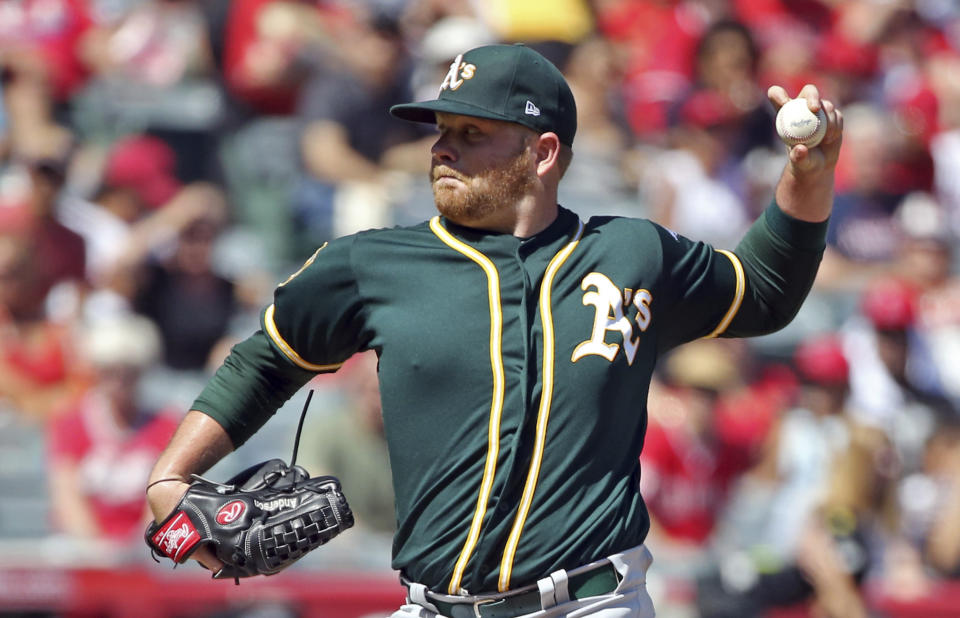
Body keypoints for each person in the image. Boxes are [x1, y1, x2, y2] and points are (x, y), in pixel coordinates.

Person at [146, 43, 843, 617]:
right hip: (432, 605)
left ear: (542, 153)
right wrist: (173, 476)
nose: (442, 149)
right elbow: (266, 362)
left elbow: (765, 292)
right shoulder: (371, 263)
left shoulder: (631, 254)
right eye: (441, 131)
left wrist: (808, 175)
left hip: (589, 602)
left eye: (471, 134)